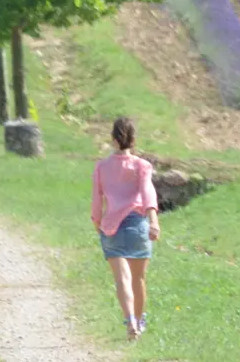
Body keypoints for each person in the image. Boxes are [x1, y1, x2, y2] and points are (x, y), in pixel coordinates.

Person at [91, 117, 160, 340]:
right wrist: (153, 220)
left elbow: (96, 199)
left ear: (113, 139)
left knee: (122, 279)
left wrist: (97, 222)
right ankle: (139, 322)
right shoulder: (142, 165)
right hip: (137, 225)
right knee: (138, 279)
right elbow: (148, 192)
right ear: (133, 140)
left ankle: (129, 319)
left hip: (111, 227)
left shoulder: (101, 167)